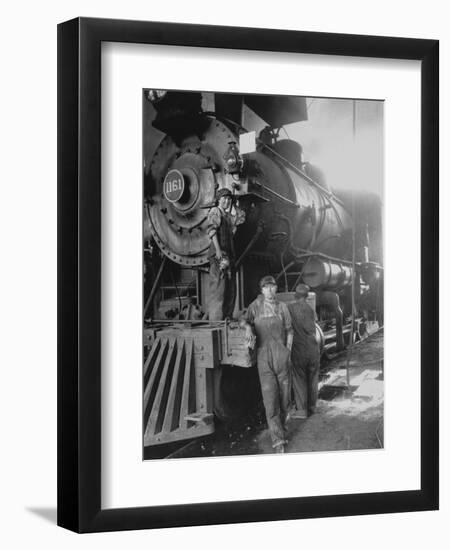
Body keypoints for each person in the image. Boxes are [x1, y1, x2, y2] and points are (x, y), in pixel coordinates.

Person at [242, 275, 293, 453]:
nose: (270, 290)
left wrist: (288, 351)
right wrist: (248, 327)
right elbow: (244, 319)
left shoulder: (282, 307)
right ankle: (278, 440)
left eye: (272, 287)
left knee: (285, 400)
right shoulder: (255, 306)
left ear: (276, 289)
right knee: (270, 401)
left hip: (282, 357)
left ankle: (283, 427)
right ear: (262, 290)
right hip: (264, 359)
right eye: (266, 288)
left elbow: (290, 330)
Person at [206, 188, 245, 320]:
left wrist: (234, 204)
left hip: (229, 255)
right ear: (218, 200)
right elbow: (212, 231)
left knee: (230, 287)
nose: (226, 201)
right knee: (218, 286)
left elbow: (241, 218)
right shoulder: (215, 211)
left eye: (229, 199)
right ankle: (216, 319)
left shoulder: (228, 217)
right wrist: (217, 250)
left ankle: (227, 316)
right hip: (218, 254)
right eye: (224, 199)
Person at [288, 284, 320, 418]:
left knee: (299, 379)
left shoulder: (290, 308)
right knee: (313, 379)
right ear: (307, 296)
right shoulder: (310, 309)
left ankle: (301, 411)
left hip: (299, 349)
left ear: (296, 295)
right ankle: (312, 408)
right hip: (313, 349)